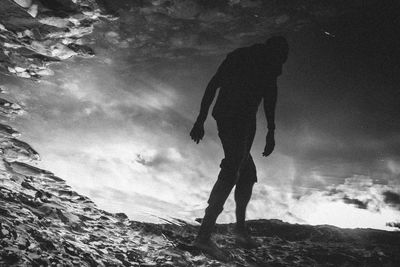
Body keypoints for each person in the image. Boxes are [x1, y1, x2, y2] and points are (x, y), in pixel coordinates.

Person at [189, 36, 289, 260]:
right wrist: (200, 119)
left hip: (245, 121)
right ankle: (203, 236)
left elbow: (269, 98)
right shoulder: (244, 58)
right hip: (230, 116)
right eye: (281, 59)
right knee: (233, 167)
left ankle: (240, 230)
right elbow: (214, 84)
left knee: (247, 172)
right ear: (275, 53)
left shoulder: (266, 63)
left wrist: (271, 130)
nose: (281, 66)